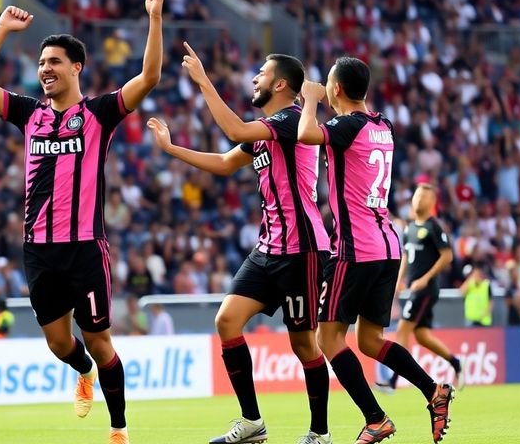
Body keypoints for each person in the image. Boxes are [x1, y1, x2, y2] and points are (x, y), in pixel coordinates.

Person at [0, 0, 165, 444]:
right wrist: (2, 28)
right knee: (59, 343)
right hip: (39, 250)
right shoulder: (29, 114)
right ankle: (83, 372)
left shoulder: (98, 114)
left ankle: (118, 429)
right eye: (40, 63)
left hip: (84, 249)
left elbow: (150, 76)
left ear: (77, 68)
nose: (44, 69)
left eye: (54, 61)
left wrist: (154, 18)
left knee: (99, 338)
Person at [148, 46, 331, 444]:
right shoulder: (265, 131)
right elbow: (225, 161)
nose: (254, 79)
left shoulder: (291, 121)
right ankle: (252, 423)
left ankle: (320, 432)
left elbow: (234, 131)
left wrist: (202, 81)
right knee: (226, 321)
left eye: (261, 73)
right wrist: (172, 149)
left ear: (280, 84)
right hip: (269, 248)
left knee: (303, 344)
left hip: (303, 249)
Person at [298, 57, 454, 444]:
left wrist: (310, 100)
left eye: (329, 88)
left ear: (336, 90)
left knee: (328, 338)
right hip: (387, 246)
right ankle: (434, 390)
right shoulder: (384, 125)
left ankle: (376, 418)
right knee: (369, 340)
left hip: (356, 248)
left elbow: (305, 135)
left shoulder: (346, 124)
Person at [376, 184, 465, 395]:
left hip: (426, 290)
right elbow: (406, 256)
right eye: (416, 195)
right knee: (422, 335)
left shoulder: (434, 226)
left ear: (432, 202)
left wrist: (425, 279)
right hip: (415, 288)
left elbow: (447, 256)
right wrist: (399, 280)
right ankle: (456, 362)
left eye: (424, 196)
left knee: (402, 330)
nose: (418, 200)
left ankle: (393, 380)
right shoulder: (409, 228)